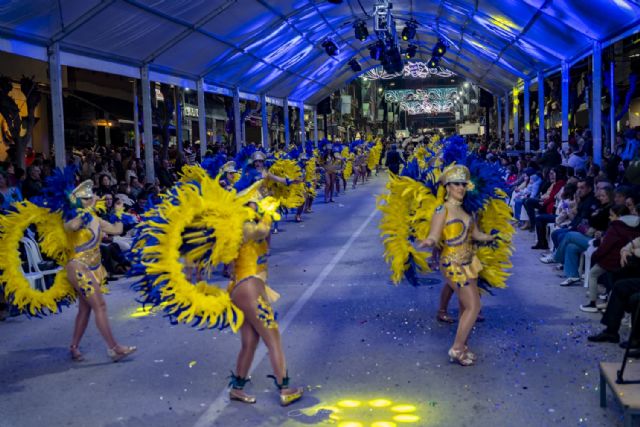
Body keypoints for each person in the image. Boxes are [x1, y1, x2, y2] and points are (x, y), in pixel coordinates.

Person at [418, 165, 498, 366]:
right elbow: (435, 234)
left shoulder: (465, 210)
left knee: (465, 306)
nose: (461, 188)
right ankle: (456, 348)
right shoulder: (442, 209)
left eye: (463, 184)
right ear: (447, 187)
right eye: (456, 184)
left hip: (470, 262)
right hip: (452, 263)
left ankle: (464, 346)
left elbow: (476, 234)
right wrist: (429, 241)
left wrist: (492, 237)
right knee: (474, 305)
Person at [226, 198, 304, 406]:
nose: (257, 203)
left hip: (245, 287)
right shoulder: (242, 225)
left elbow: (266, 242)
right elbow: (260, 231)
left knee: (250, 342)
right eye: (253, 201)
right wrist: (269, 213)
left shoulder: (252, 223)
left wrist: (265, 215)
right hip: (249, 287)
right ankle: (285, 388)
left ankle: (237, 389)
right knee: (273, 338)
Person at [64, 180, 136, 362]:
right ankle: (114, 348)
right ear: (78, 202)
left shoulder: (95, 219)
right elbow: (71, 227)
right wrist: (87, 209)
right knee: (100, 306)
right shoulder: (73, 217)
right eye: (87, 198)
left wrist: (118, 213)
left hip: (93, 268)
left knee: (85, 309)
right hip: (78, 267)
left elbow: (117, 230)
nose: (92, 199)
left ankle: (74, 346)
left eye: (91, 196)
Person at [580, 205, 640, 312]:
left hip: (611, 260)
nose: (609, 217)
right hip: (627, 261)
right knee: (615, 284)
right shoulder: (636, 226)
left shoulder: (615, 227)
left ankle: (592, 303)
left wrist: (595, 256)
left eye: (612, 215)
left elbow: (605, 247)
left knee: (593, 274)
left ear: (619, 216)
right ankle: (610, 304)